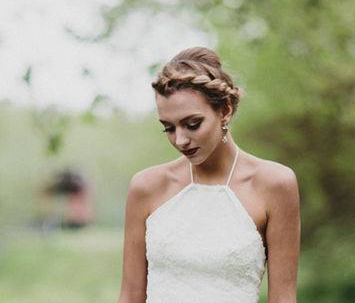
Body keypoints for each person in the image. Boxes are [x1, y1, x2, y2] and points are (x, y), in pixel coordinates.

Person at [118, 46, 300, 303]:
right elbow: (129, 296)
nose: (181, 140)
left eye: (193, 125)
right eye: (168, 128)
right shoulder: (146, 187)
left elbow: (283, 298)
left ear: (224, 110)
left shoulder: (275, 184)